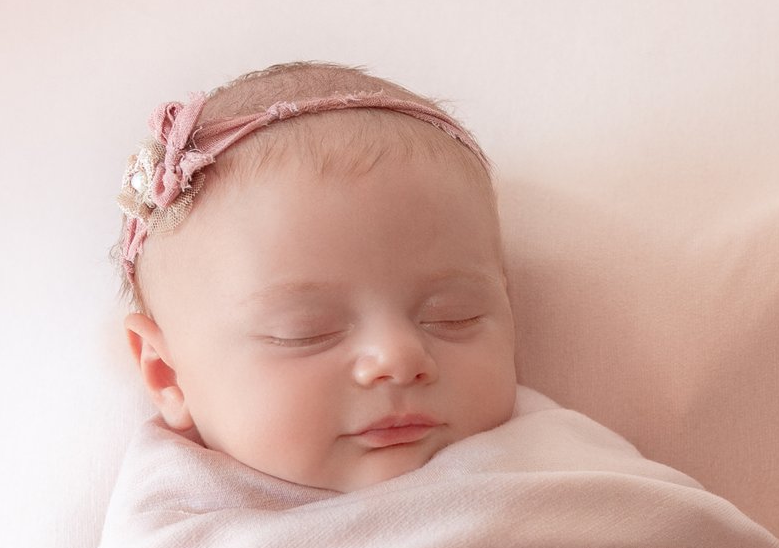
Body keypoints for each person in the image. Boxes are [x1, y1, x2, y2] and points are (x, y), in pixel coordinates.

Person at [112, 61, 518, 495]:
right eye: (305, 331)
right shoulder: (183, 524)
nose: (398, 358)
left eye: (454, 316)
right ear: (168, 376)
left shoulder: (554, 462)